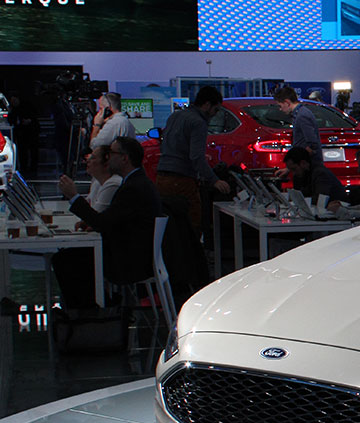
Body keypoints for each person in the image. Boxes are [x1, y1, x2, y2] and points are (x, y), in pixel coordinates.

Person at [53, 136, 162, 309]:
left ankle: (88, 311)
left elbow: (102, 223)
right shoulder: (136, 182)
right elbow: (109, 219)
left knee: (65, 260)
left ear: (124, 158)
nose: (108, 157)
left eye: (111, 153)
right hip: (134, 253)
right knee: (69, 257)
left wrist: (73, 196)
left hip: (130, 259)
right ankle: (88, 309)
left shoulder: (132, 188)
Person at [156, 85, 231, 231]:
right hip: (182, 180)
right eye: (215, 110)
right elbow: (196, 157)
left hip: (161, 178)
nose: (214, 114)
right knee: (191, 224)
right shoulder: (198, 122)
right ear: (207, 104)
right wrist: (215, 180)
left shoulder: (175, 116)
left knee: (171, 226)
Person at [274, 85, 322, 163]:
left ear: (287, 102)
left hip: (308, 164)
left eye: (280, 106)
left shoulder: (302, 116)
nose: (280, 109)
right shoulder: (300, 114)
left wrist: (298, 161)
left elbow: (312, 143)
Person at [82, 145, 122, 212]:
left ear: (106, 164)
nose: (88, 160)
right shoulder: (97, 182)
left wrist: (73, 195)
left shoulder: (113, 184)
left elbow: (96, 215)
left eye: (93, 158)